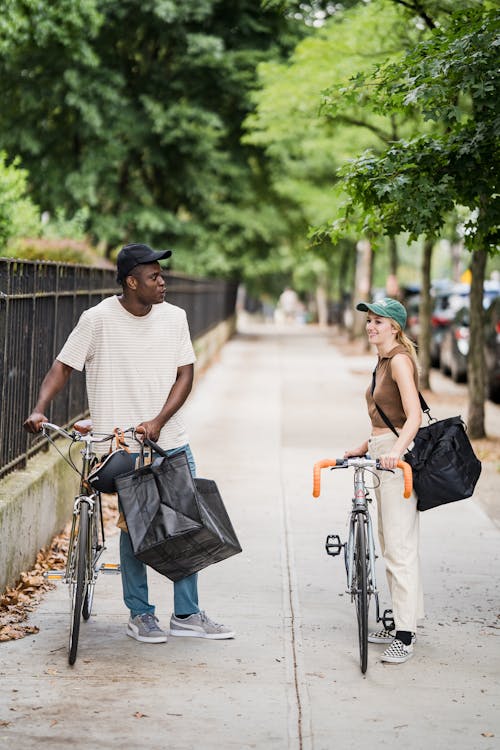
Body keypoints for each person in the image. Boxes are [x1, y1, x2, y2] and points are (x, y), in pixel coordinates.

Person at [24, 243, 234, 644]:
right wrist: (39, 408)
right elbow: (63, 366)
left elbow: (185, 376)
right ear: (131, 281)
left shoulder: (175, 318)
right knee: (135, 529)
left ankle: (187, 614)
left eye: (162, 274)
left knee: (185, 525)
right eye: (154, 276)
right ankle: (141, 614)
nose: (163, 282)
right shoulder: (98, 319)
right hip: (120, 446)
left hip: (169, 440)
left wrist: (158, 421)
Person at [344, 297, 423, 664]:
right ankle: (400, 623)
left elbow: (413, 416)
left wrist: (397, 452)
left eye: (379, 321)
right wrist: (363, 446)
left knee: (399, 545)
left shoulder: (400, 362)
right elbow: (382, 417)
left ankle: (405, 634)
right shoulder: (382, 362)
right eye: (369, 321)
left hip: (395, 455)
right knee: (387, 541)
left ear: (395, 327)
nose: (371, 326)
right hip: (381, 450)